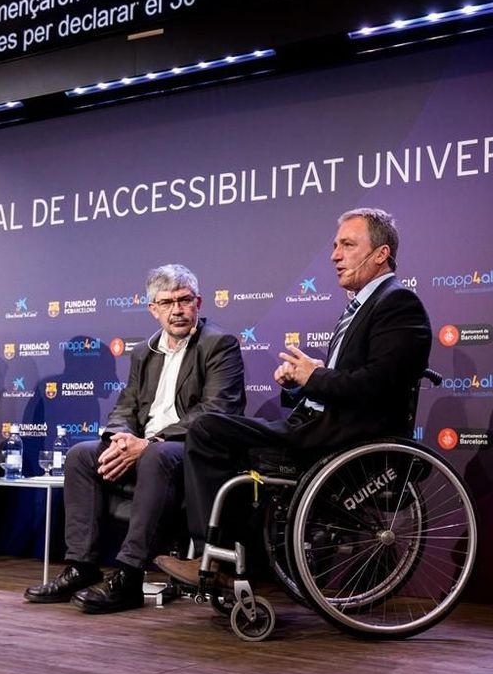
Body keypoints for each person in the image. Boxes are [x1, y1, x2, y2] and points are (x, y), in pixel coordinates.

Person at [155, 208, 431, 586]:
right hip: (322, 425)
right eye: (335, 246)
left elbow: (377, 387)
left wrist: (314, 376)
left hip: (349, 437)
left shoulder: (397, 304)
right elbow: (348, 381)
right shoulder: (363, 306)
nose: (334, 255)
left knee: (207, 429)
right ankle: (237, 557)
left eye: (347, 245)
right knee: (219, 437)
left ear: (381, 254)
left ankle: (217, 560)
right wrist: (301, 383)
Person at [23, 263, 244, 613]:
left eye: (185, 300)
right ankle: (82, 566)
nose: (177, 310)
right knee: (82, 455)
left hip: (191, 451)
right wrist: (121, 438)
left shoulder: (219, 345)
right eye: (167, 302)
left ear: (198, 302)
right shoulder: (144, 351)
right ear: (153, 309)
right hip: (145, 446)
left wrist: (149, 443)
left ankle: (129, 575)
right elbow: (125, 406)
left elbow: (216, 412)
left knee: (157, 456)